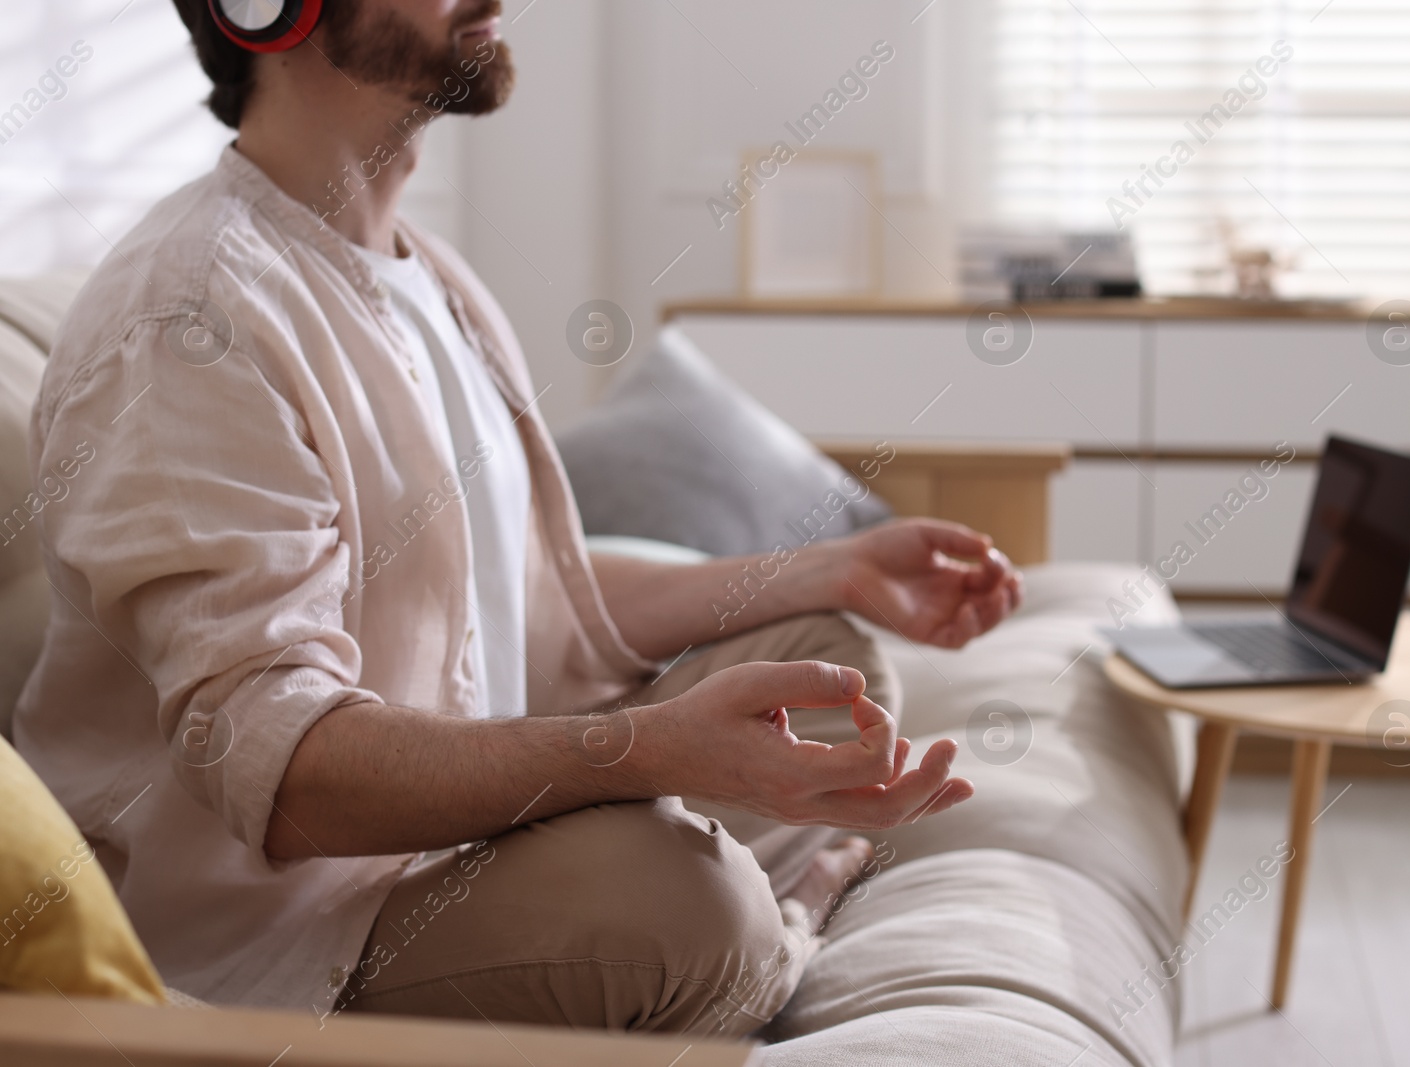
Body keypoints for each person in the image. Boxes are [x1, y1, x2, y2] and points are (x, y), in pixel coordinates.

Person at [13, 0, 1021, 1037]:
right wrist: (645, 752)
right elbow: (285, 776)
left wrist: (827, 570)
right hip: (278, 942)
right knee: (677, 898)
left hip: (460, 846)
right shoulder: (187, 319)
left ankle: (755, 921)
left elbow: (534, 599)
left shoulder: (427, 276)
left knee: (826, 660)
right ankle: (782, 918)